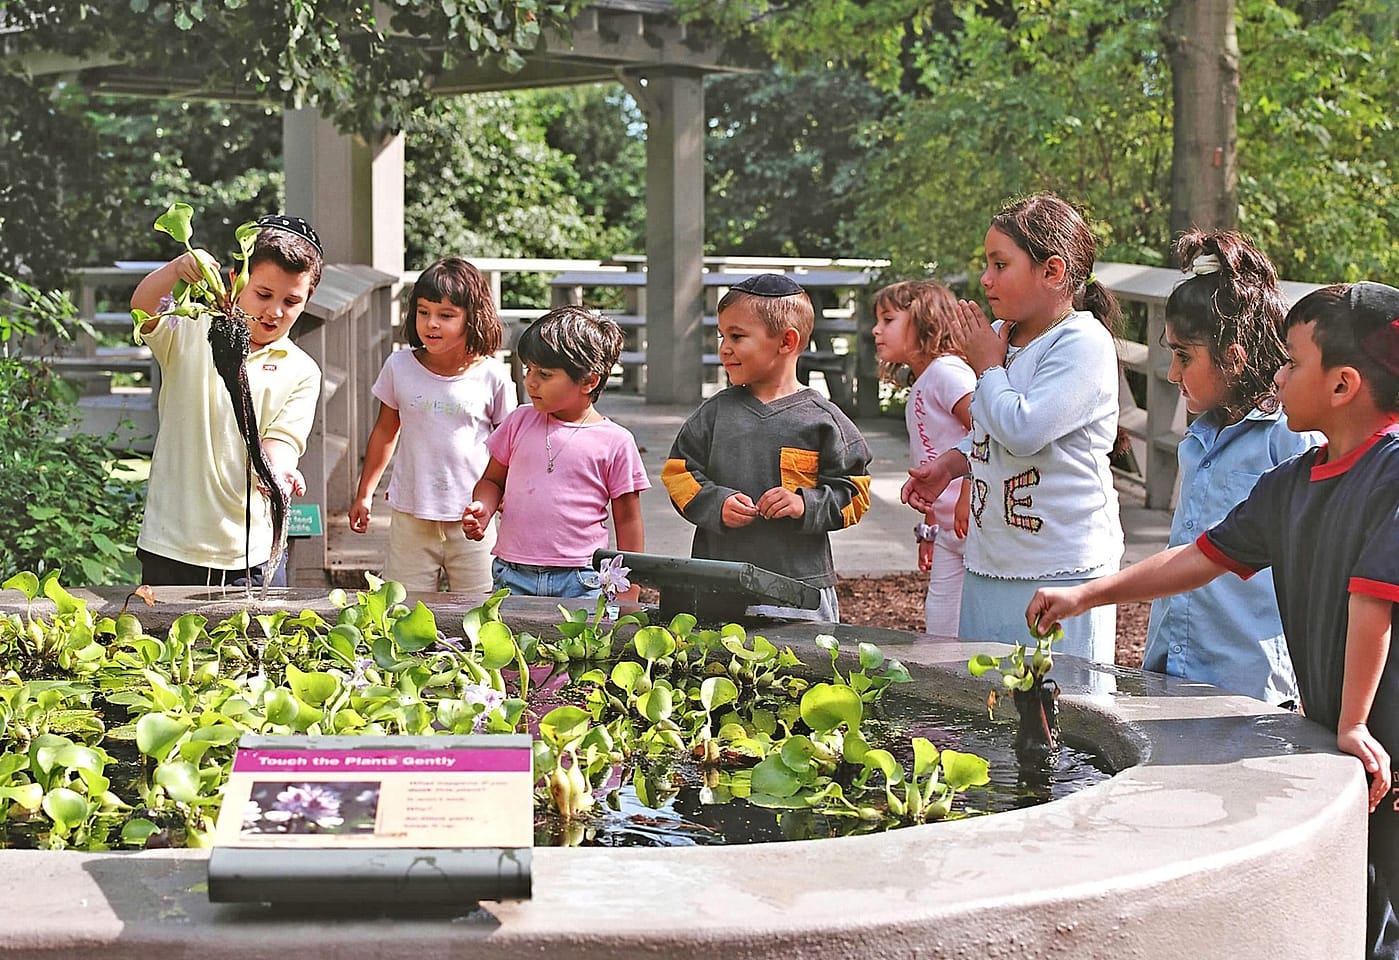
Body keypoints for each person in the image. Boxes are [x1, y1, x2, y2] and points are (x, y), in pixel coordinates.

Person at [1026, 281, 1399, 959]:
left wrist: (1351, 721)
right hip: (1349, 734)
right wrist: (1087, 595)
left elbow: (1372, 598)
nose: (1277, 376)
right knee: (1355, 895)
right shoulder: (1291, 484)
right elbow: (1200, 557)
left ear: (1343, 384)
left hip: (1380, 737)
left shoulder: (1391, 472)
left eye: (1292, 362)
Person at [901, 193, 1123, 661]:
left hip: (1062, 571)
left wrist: (986, 366)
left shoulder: (1082, 341)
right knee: (986, 697)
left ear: (1053, 271)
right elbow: (991, 428)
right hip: (990, 562)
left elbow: (1024, 429)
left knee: (1061, 699)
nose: (986, 278)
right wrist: (953, 464)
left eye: (1000, 264)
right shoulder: (1005, 338)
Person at [1145, 230, 1322, 705]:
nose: (1172, 374)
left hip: (1247, 687)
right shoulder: (1198, 436)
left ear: (1234, 357)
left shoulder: (1291, 439)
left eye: (1183, 356)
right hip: (1170, 668)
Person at [662, 273, 873, 622]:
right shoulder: (713, 414)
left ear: (786, 341)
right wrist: (716, 503)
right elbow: (678, 474)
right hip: (718, 584)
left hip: (799, 589)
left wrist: (804, 503)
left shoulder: (824, 421)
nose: (724, 348)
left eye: (737, 336)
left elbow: (855, 495)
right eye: (722, 336)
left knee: (803, 658)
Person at [129, 214, 324, 587]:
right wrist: (176, 269)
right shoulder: (189, 329)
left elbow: (282, 442)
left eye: (291, 301)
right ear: (236, 280)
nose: (275, 311)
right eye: (263, 294)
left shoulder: (302, 370)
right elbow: (143, 307)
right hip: (171, 543)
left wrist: (279, 472)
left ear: (307, 300)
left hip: (250, 553)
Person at [348, 257, 515, 593]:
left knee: (481, 608)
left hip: (473, 518)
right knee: (401, 608)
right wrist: (364, 494)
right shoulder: (399, 367)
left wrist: (505, 501)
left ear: (473, 317)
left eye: (446, 315)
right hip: (411, 513)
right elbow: (385, 431)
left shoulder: (493, 375)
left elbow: (509, 446)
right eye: (423, 312)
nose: (431, 323)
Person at [460, 305, 646, 601]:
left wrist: (629, 594)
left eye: (544, 374)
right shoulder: (518, 422)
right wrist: (483, 507)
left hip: (583, 578)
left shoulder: (616, 441)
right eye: (529, 370)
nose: (530, 381)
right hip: (513, 574)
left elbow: (628, 521)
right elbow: (492, 481)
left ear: (589, 381)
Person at [871, 279, 975, 636]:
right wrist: (929, 528)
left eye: (888, 320)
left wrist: (969, 491)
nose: (876, 330)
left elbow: (986, 431)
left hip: (975, 525)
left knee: (976, 626)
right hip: (948, 530)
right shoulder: (925, 380)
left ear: (924, 320)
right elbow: (932, 456)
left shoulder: (948, 372)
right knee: (940, 625)